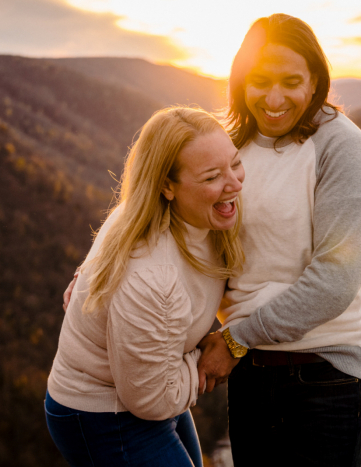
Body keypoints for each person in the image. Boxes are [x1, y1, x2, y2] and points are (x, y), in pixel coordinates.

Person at [196, 13, 361, 467]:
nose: (274, 98)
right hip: (250, 373)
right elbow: (172, 214)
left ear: (314, 81)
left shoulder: (340, 145)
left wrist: (236, 339)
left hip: (324, 375)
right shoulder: (229, 144)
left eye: (291, 81)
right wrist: (109, 259)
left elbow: (334, 282)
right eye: (260, 81)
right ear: (241, 81)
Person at [47, 106, 245, 467]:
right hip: (104, 414)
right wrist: (211, 355)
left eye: (236, 163)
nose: (234, 184)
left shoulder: (200, 211)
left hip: (150, 381)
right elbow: (151, 399)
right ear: (166, 186)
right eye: (213, 176)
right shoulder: (152, 276)